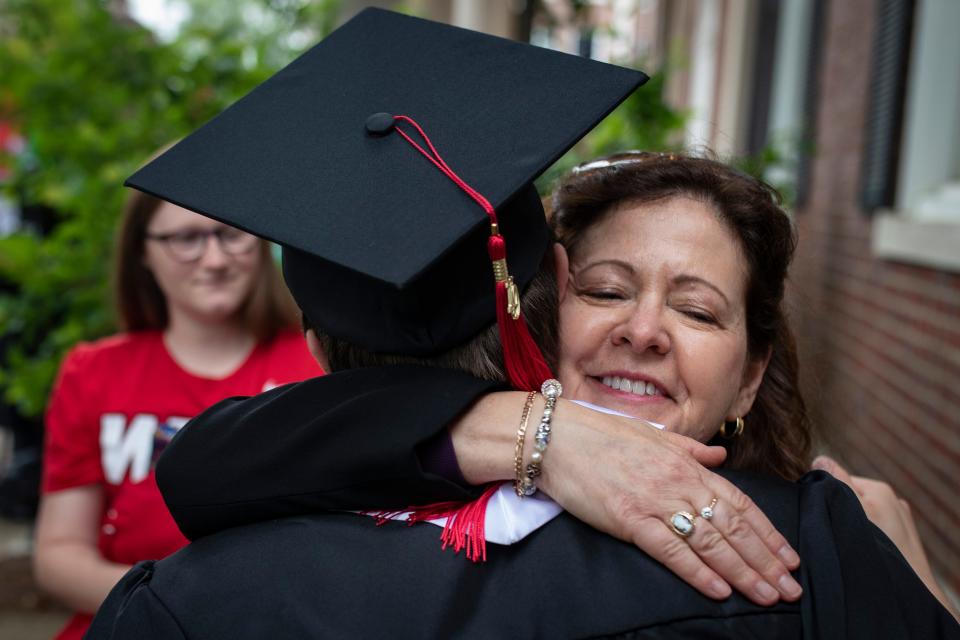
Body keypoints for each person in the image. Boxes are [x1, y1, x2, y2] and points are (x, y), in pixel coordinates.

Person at [88, 9, 958, 638]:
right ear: (547, 298)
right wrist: (541, 432)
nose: (646, 329)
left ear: (753, 372)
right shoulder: (824, 565)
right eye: (609, 291)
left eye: (697, 309)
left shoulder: (194, 600)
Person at [33, 178, 322, 639]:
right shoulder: (94, 371)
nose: (214, 259)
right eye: (186, 238)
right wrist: (171, 609)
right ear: (142, 252)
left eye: (231, 234)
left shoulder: (316, 363)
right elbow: (59, 553)